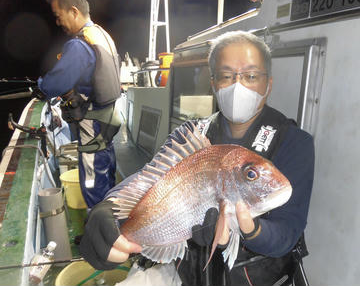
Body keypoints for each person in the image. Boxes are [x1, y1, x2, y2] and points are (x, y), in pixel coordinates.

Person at [79, 31, 314, 286]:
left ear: (268, 84)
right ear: (213, 84)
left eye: (251, 75)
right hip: (185, 273)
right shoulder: (190, 134)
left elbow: (288, 233)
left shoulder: (295, 142)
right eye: (227, 76)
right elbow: (152, 178)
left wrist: (252, 230)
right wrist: (110, 208)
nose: (239, 85)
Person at [37, 0, 121, 208]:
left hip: (92, 130)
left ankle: (101, 236)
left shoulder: (79, 45)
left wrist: (40, 85)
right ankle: (106, 227)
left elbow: (53, 84)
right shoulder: (102, 35)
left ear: (74, 11)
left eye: (58, 16)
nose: (58, 22)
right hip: (107, 126)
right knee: (107, 181)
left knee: (93, 187)